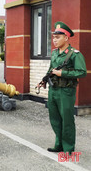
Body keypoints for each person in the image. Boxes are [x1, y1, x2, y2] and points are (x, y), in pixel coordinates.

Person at [37, 21, 86, 154]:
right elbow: (51, 69)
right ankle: (59, 144)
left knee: (67, 119)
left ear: (66, 37)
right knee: (55, 119)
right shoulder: (54, 53)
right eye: (53, 37)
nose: (54, 40)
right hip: (54, 90)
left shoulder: (74, 54)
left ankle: (69, 148)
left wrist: (63, 73)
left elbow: (82, 72)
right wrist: (44, 80)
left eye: (58, 37)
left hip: (66, 92)